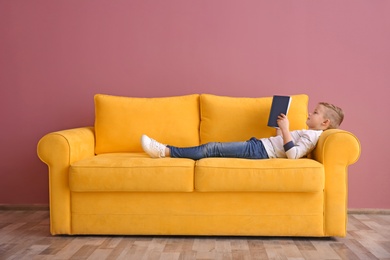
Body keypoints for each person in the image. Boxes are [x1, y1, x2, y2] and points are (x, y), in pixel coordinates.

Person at [141, 102, 344, 160]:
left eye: (315, 112)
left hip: (260, 151)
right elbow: (283, 145)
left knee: (211, 148)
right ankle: (166, 150)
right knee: (212, 149)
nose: (311, 112)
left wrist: (286, 129)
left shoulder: (313, 135)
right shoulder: (311, 133)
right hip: (260, 146)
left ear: (325, 122)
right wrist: (279, 129)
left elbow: (293, 155)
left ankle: (164, 151)